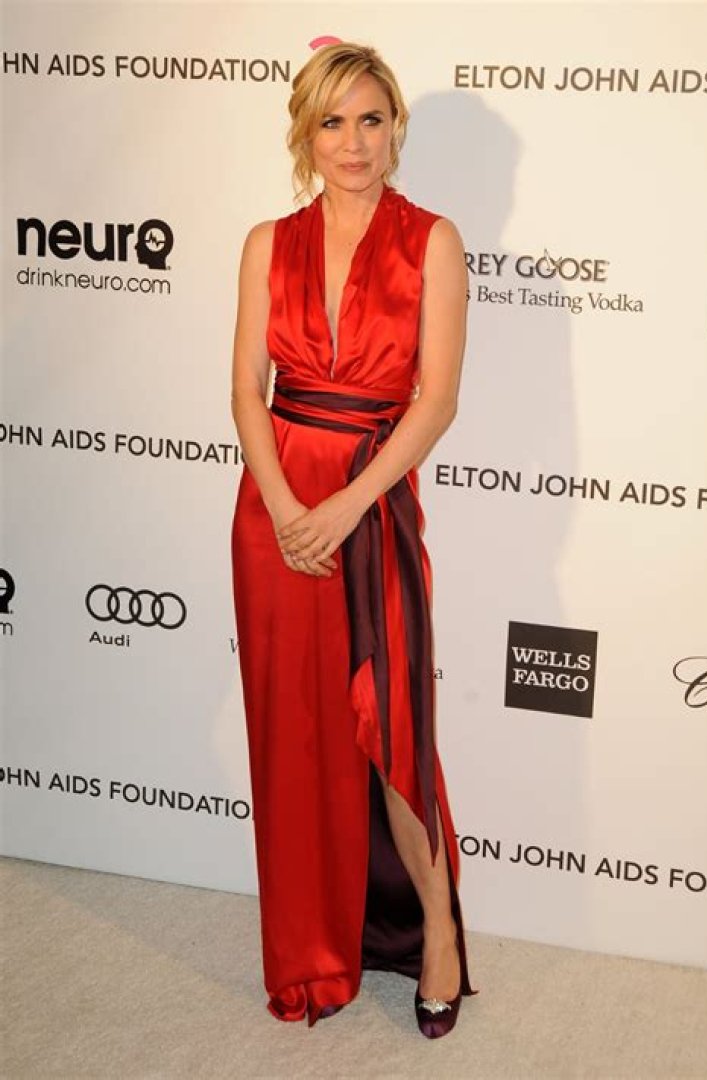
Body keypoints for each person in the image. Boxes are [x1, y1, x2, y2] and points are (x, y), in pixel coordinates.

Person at [230, 42, 475, 1038]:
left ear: (395, 128)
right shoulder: (266, 243)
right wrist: (287, 507)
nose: (353, 142)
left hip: (371, 504)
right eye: (333, 122)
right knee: (294, 735)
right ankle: (311, 952)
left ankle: (439, 934)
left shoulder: (432, 242)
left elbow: (436, 402)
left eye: (371, 119)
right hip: (274, 507)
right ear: (305, 132)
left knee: (393, 729)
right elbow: (246, 392)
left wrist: (342, 508)